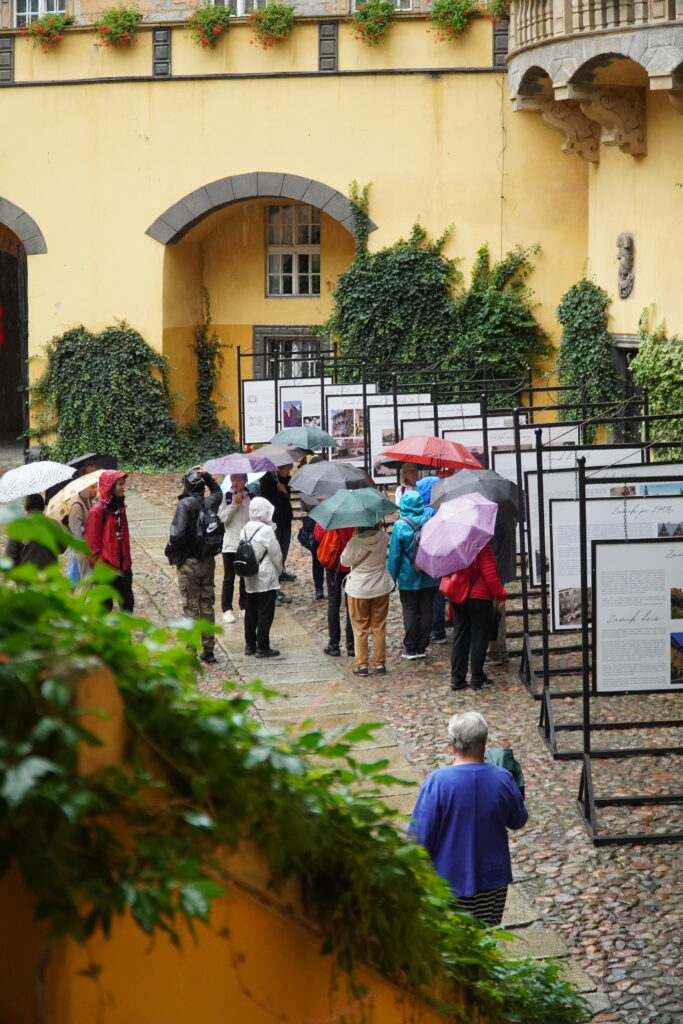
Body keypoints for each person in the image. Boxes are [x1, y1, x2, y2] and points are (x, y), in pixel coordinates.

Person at [408, 711, 527, 926]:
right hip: (492, 879)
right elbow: (518, 820)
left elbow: (418, 837)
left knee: (452, 944)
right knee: (484, 939)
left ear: (452, 745)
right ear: (484, 743)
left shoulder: (437, 782)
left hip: (448, 879)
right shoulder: (502, 778)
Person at [165, 467, 223, 663]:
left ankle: (190, 649)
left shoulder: (185, 505)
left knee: (190, 607)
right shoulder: (210, 503)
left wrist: (173, 554)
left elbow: (177, 534)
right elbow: (218, 492)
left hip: (189, 562)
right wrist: (207, 476)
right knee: (207, 605)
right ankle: (209, 650)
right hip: (208, 561)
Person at [387, 491, 439, 660]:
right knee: (426, 609)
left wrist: (391, 579)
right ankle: (422, 645)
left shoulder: (400, 526)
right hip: (428, 574)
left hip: (408, 575)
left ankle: (410, 647)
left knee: (409, 609)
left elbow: (394, 554)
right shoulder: (430, 522)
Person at [448, 542, 507, 691]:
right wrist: (501, 595)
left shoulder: (454, 546)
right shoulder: (480, 546)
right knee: (479, 637)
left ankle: (457, 678)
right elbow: (490, 574)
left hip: (458, 595)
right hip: (479, 597)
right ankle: (477, 677)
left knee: (460, 636)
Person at [340, 523, 394, 676]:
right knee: (379, 626)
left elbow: (345, 561)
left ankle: (362, 665)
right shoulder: (383, 537)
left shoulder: (355, 542)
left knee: (360, 628)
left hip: (359, 589)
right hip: (380, 587)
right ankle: (379, 663)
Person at [239, 496, 283, 658]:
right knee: (265, 612)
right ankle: (263, 646)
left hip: (249, 575)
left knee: (250, 611)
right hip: (265, 576)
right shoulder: (266, 530)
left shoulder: (245, 528)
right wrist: (280, 569)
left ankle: (250, 645)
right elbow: (275, 553)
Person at [85, 470, 134, 612]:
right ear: (110, 486)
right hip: (105, 569)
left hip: (123, 566)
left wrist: (126, 563)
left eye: (123, 484)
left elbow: (123, 538)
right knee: (105, 608)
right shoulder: (97, 511)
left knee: (128, 604)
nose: (123, 487)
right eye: (120, 484)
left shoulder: (120, 508)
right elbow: (91, 547)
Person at [314, 521, 355, 658]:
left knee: (334, 603)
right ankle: (352, 644)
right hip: (352, 564)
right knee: (352, 605)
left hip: (334, 563)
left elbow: (318, 536)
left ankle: (334, 644)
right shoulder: (357, 514)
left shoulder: (330, 514)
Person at [259, 465, 295, 603]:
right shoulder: (267, 480)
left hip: (286, 519)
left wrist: (284, 490)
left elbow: (287, 498)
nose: (288, 472)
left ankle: (279, 578)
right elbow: (268, 504)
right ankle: (273, 588)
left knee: (283, 551)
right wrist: (279, 492)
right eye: (286, 469)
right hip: (275, 521)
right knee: (275, 553)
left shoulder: (285, 480)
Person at [219, 473, 250, 624]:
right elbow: (223, 519)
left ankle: (243, 606)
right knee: (228, 577)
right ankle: (227, 609)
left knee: (245, 577)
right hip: (230, 544)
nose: (235, 482)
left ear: (245, 481)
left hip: (246, 544)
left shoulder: (252, 497)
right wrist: (235, 504)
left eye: (239, 479)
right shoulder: (226, 497)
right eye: (233, 479)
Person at [485, 519, 517, 668]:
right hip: (502, 571)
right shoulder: (509, 518)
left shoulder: (495, 523)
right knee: (499, 612)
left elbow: (492, 553)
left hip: (495, 575)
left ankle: (496, 652)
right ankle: (501, 651)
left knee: (495, 614)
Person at [4, 494, 60, 573]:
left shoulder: (18, 527)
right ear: (43, 507)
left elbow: (9, 555)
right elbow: (61, 548)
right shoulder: (53, 525)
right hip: (50, 578)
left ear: (26, 507)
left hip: (27, 580)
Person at [66, 476, 98, 584]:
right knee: (86, 581)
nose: (96, 490)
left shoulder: (89, 504)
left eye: (96, 487)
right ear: (85, 489)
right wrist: (90, 528)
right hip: (81, 549)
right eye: (92, 487)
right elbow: (75, 529)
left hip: (88, 548)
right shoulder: (77, 507)